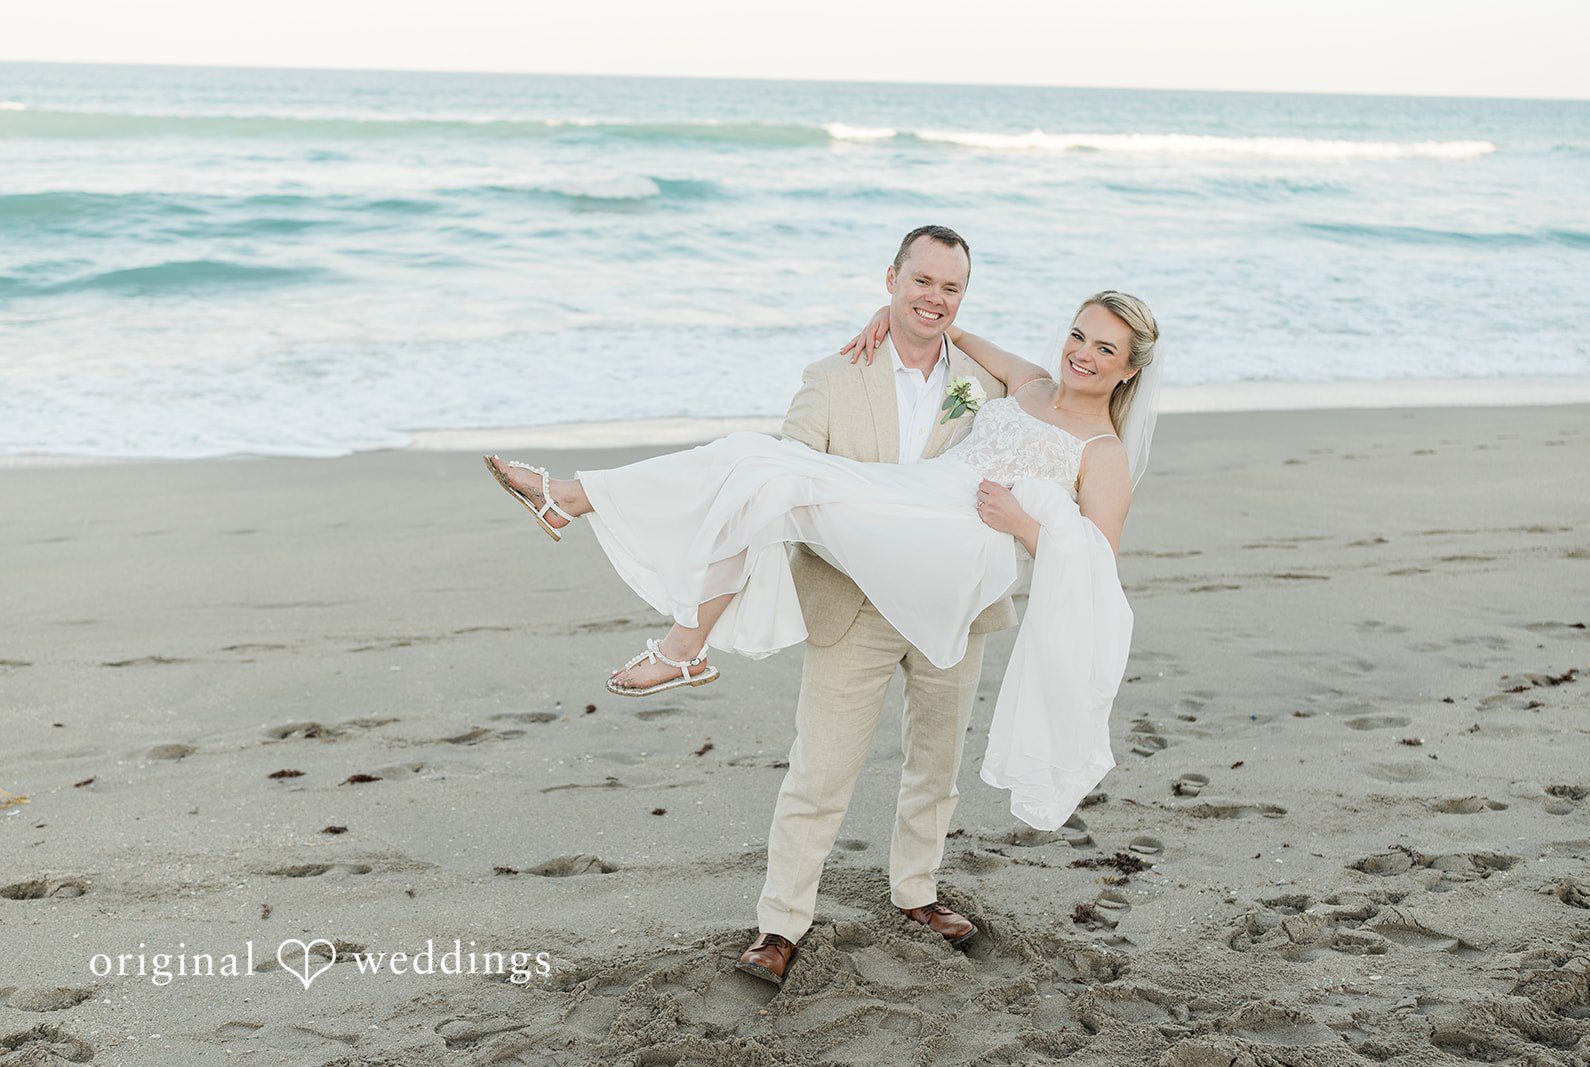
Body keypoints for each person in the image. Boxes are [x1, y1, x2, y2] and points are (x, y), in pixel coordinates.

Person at [483, 228, 1160, 985]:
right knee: (757, 464)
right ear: (895, 281)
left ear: (1129, 369)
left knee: (935, 765)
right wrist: (901, 315)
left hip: (956, 559)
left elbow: (1096, 566)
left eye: (1105, 348)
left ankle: (916, 891)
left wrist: (1024, 525)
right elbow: (947, 323)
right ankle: (778, 916)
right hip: (889, 542)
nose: (1083, 353)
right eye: (1078, 333)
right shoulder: (1021, 380)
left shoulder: (1103, 453)